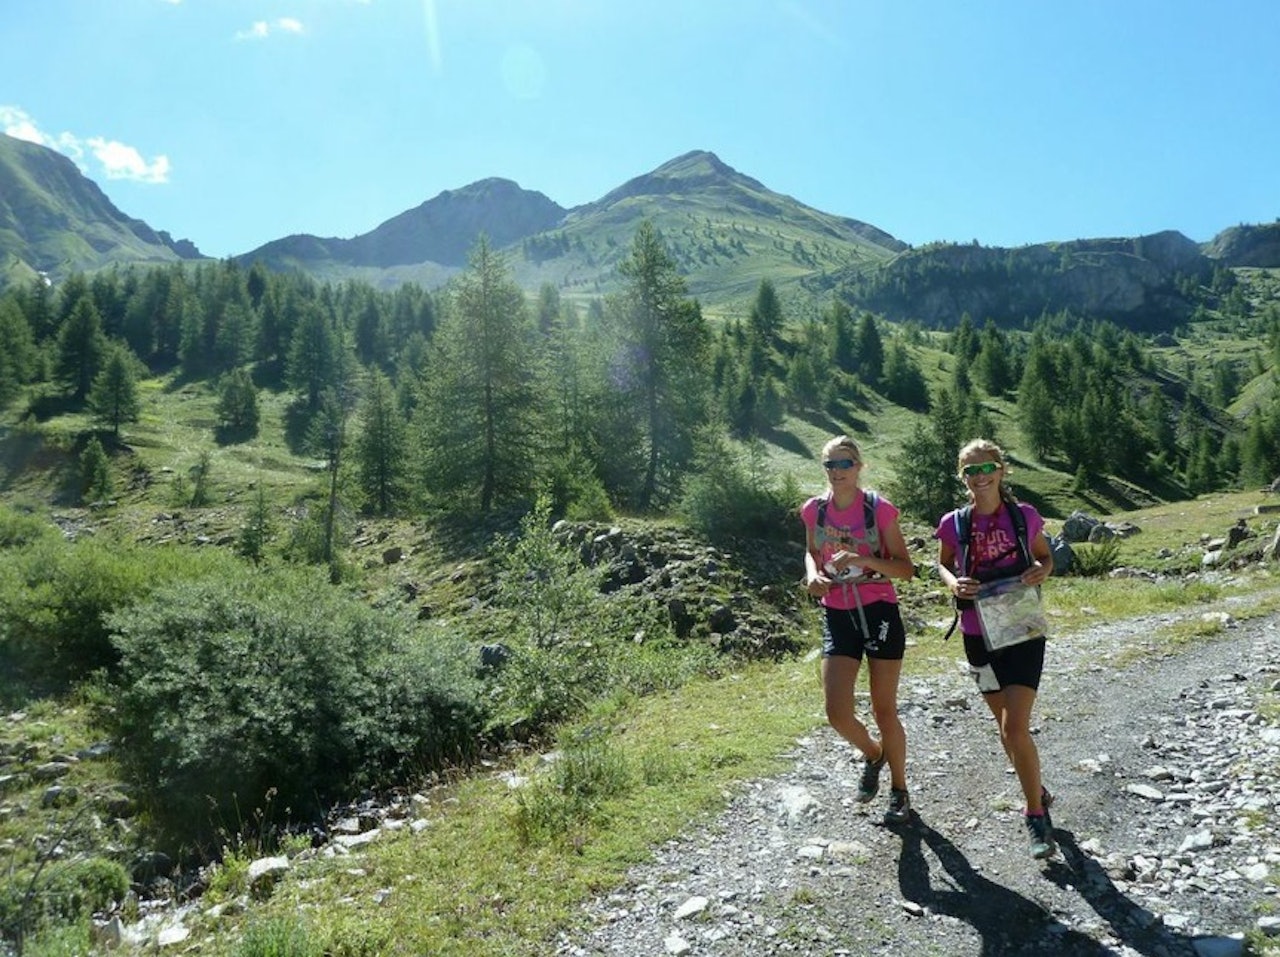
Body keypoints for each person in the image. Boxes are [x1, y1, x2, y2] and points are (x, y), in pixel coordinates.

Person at [934, 439, 1057, 859]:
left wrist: (1042, 571)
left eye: (987, 467)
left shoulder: (1024, 517)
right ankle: (1035, 785)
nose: (980, 476)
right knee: (1004, 726)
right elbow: (943, 563)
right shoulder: (954, 523)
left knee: (1013, 727)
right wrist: (954, 583)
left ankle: (1036, 816)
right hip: (976, 635)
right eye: (971, 470)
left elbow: (1044, 558)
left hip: (1023, 629)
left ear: (1002, 470)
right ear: (962, 477)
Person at [801, 436, 916, 825]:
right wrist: (812, 574)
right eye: (830, 465)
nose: (837, 471)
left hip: (879, 609)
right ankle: (873, 754)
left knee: (884, 709)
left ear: (859, 466)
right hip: (837, 612)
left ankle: (899, 790)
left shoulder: (879, 510)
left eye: (844, 463)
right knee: (836, 711)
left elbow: (905, 568)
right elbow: (811, 553)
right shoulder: (814, 511)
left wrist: (863, 558)